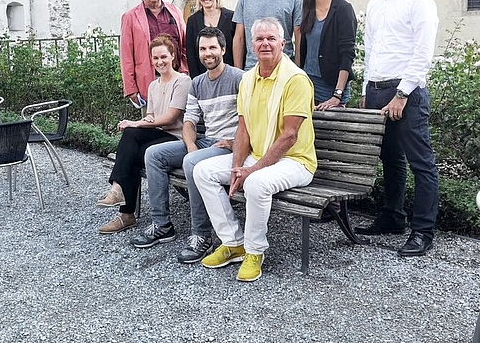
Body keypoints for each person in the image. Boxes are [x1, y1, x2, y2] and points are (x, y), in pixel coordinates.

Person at [194, 17, 317, 282]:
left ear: (283, 44)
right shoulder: (248, 79)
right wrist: (238, 166)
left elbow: (290, 136)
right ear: (252, 45)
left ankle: (254, 251)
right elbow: (243, 128)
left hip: (295, 161)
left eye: (271, 39)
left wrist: (250, 171)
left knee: (256, 184)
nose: (265, 44)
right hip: (258, 156)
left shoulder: (296, 80)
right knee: (203, 171)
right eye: (260, 39)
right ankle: (233, 243)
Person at [354, 0, 440, 258]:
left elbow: (423, 53)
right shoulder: (375, 3)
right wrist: (367, 90)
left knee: (421, 163)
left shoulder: (419, 1)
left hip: (408, 92)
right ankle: (392, 217)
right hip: (377, 91)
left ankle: (423, 231)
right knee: (390, 160)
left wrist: (402, 94)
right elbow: (371, 50)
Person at [131, 27, 244, 263]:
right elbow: (190, 121)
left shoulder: (238, 78)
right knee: (154, 154)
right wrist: (191, 145)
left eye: (213, 47)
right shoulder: (198, 83)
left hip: (228, 145)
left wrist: (235, 142)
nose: (208, 53)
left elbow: (252, 119)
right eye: (203, 49)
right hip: (206, 142)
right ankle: (162, 224)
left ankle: (201, 235)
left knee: (192, 162)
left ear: (223, 49)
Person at [97, 35, 191, 234]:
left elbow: (171, 118)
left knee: (131, 141)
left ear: (173, 56)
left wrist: (136, 123)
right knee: (131, 145)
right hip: (157, 136)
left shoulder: (183, 81)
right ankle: (122, 203)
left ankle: (123, 205)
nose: (160, 62)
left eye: (164, 56)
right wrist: (144, 121)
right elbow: (151, 116)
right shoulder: (153, 85)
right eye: (155, 58)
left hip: (175, 140)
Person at [120, 0, 187, 109]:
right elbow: (126, 54)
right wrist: (130, 88)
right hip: (149, 81)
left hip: (176, 78)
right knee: (152, 125)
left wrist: (184, 72)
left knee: (179, 126)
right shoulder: (130, 17)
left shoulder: (175, 12)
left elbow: (184, 45)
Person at [298, 0, 357, 110]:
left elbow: (347, 54)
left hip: (332, 90)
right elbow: (303, 49)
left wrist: (337, 94)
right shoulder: (307, 8)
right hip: (308, 87)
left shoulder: (343, 9)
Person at [184, 0, 236, 78]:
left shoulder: (231, 17)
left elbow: (236, 49)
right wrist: (196, 80)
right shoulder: (192, 21)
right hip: (203, 78)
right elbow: (191, 55)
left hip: (229, 77)